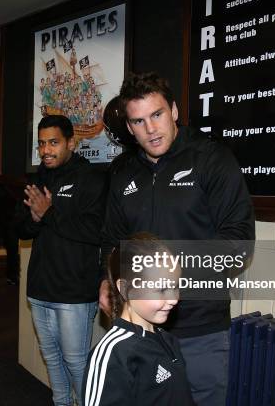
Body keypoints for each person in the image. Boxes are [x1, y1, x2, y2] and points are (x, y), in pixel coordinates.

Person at [100, 72, 255, 406]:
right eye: (138, 121)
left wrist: (169, 277)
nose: (151, 129)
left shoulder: (212, 159)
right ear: (129, 127)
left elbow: (239, 242)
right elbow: (113, 241)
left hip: (201, 327)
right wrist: (109, 280)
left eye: (157, 115)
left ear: (173, 110)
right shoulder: (123, 172)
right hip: (141, 329)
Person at [16, 115, 106, 406]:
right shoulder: (37, 179)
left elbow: (96, 231)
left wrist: (50, 214)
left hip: (74, 293)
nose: (46, 151)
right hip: (40, 289)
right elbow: (20, 228)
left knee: (77, 364)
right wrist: (34, 218)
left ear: (71, 142)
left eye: (53, 143)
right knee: (52, 359)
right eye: (41, 144)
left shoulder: (91, 178)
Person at [83, 234, 195, 406]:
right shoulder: (114, 355)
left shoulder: (167, 339)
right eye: (161, 289)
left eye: (175, 287)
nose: (173, 299)